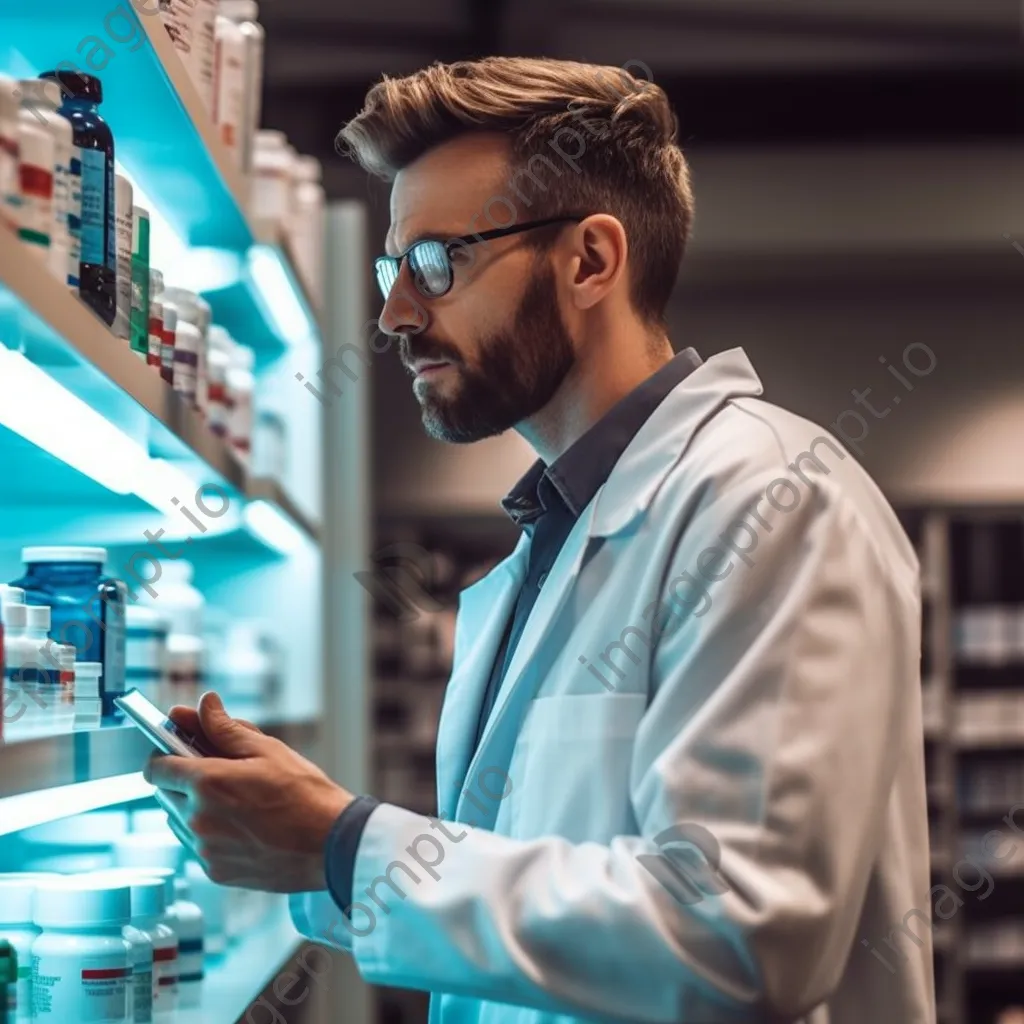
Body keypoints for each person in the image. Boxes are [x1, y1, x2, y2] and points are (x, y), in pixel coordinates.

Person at [145, 56, 935, 1024]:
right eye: (393, 268)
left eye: (438, 262)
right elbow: (543, 896)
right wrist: (319, 835)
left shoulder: (772, 502)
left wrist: (345, 846)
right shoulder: (549, 542)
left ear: (592, 261)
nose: (393, 314)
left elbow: (742, 934)